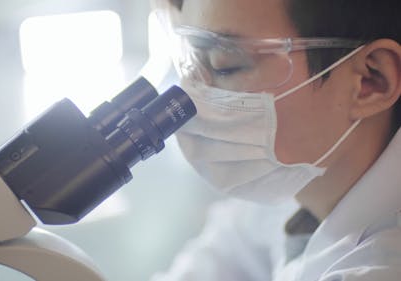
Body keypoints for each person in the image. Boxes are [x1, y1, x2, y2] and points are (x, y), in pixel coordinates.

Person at [150, 0, 401, 280]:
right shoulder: (293, 186)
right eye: (193, 62)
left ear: (370, 81)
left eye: (226, 65)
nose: (192, 95)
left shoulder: (382, 267)